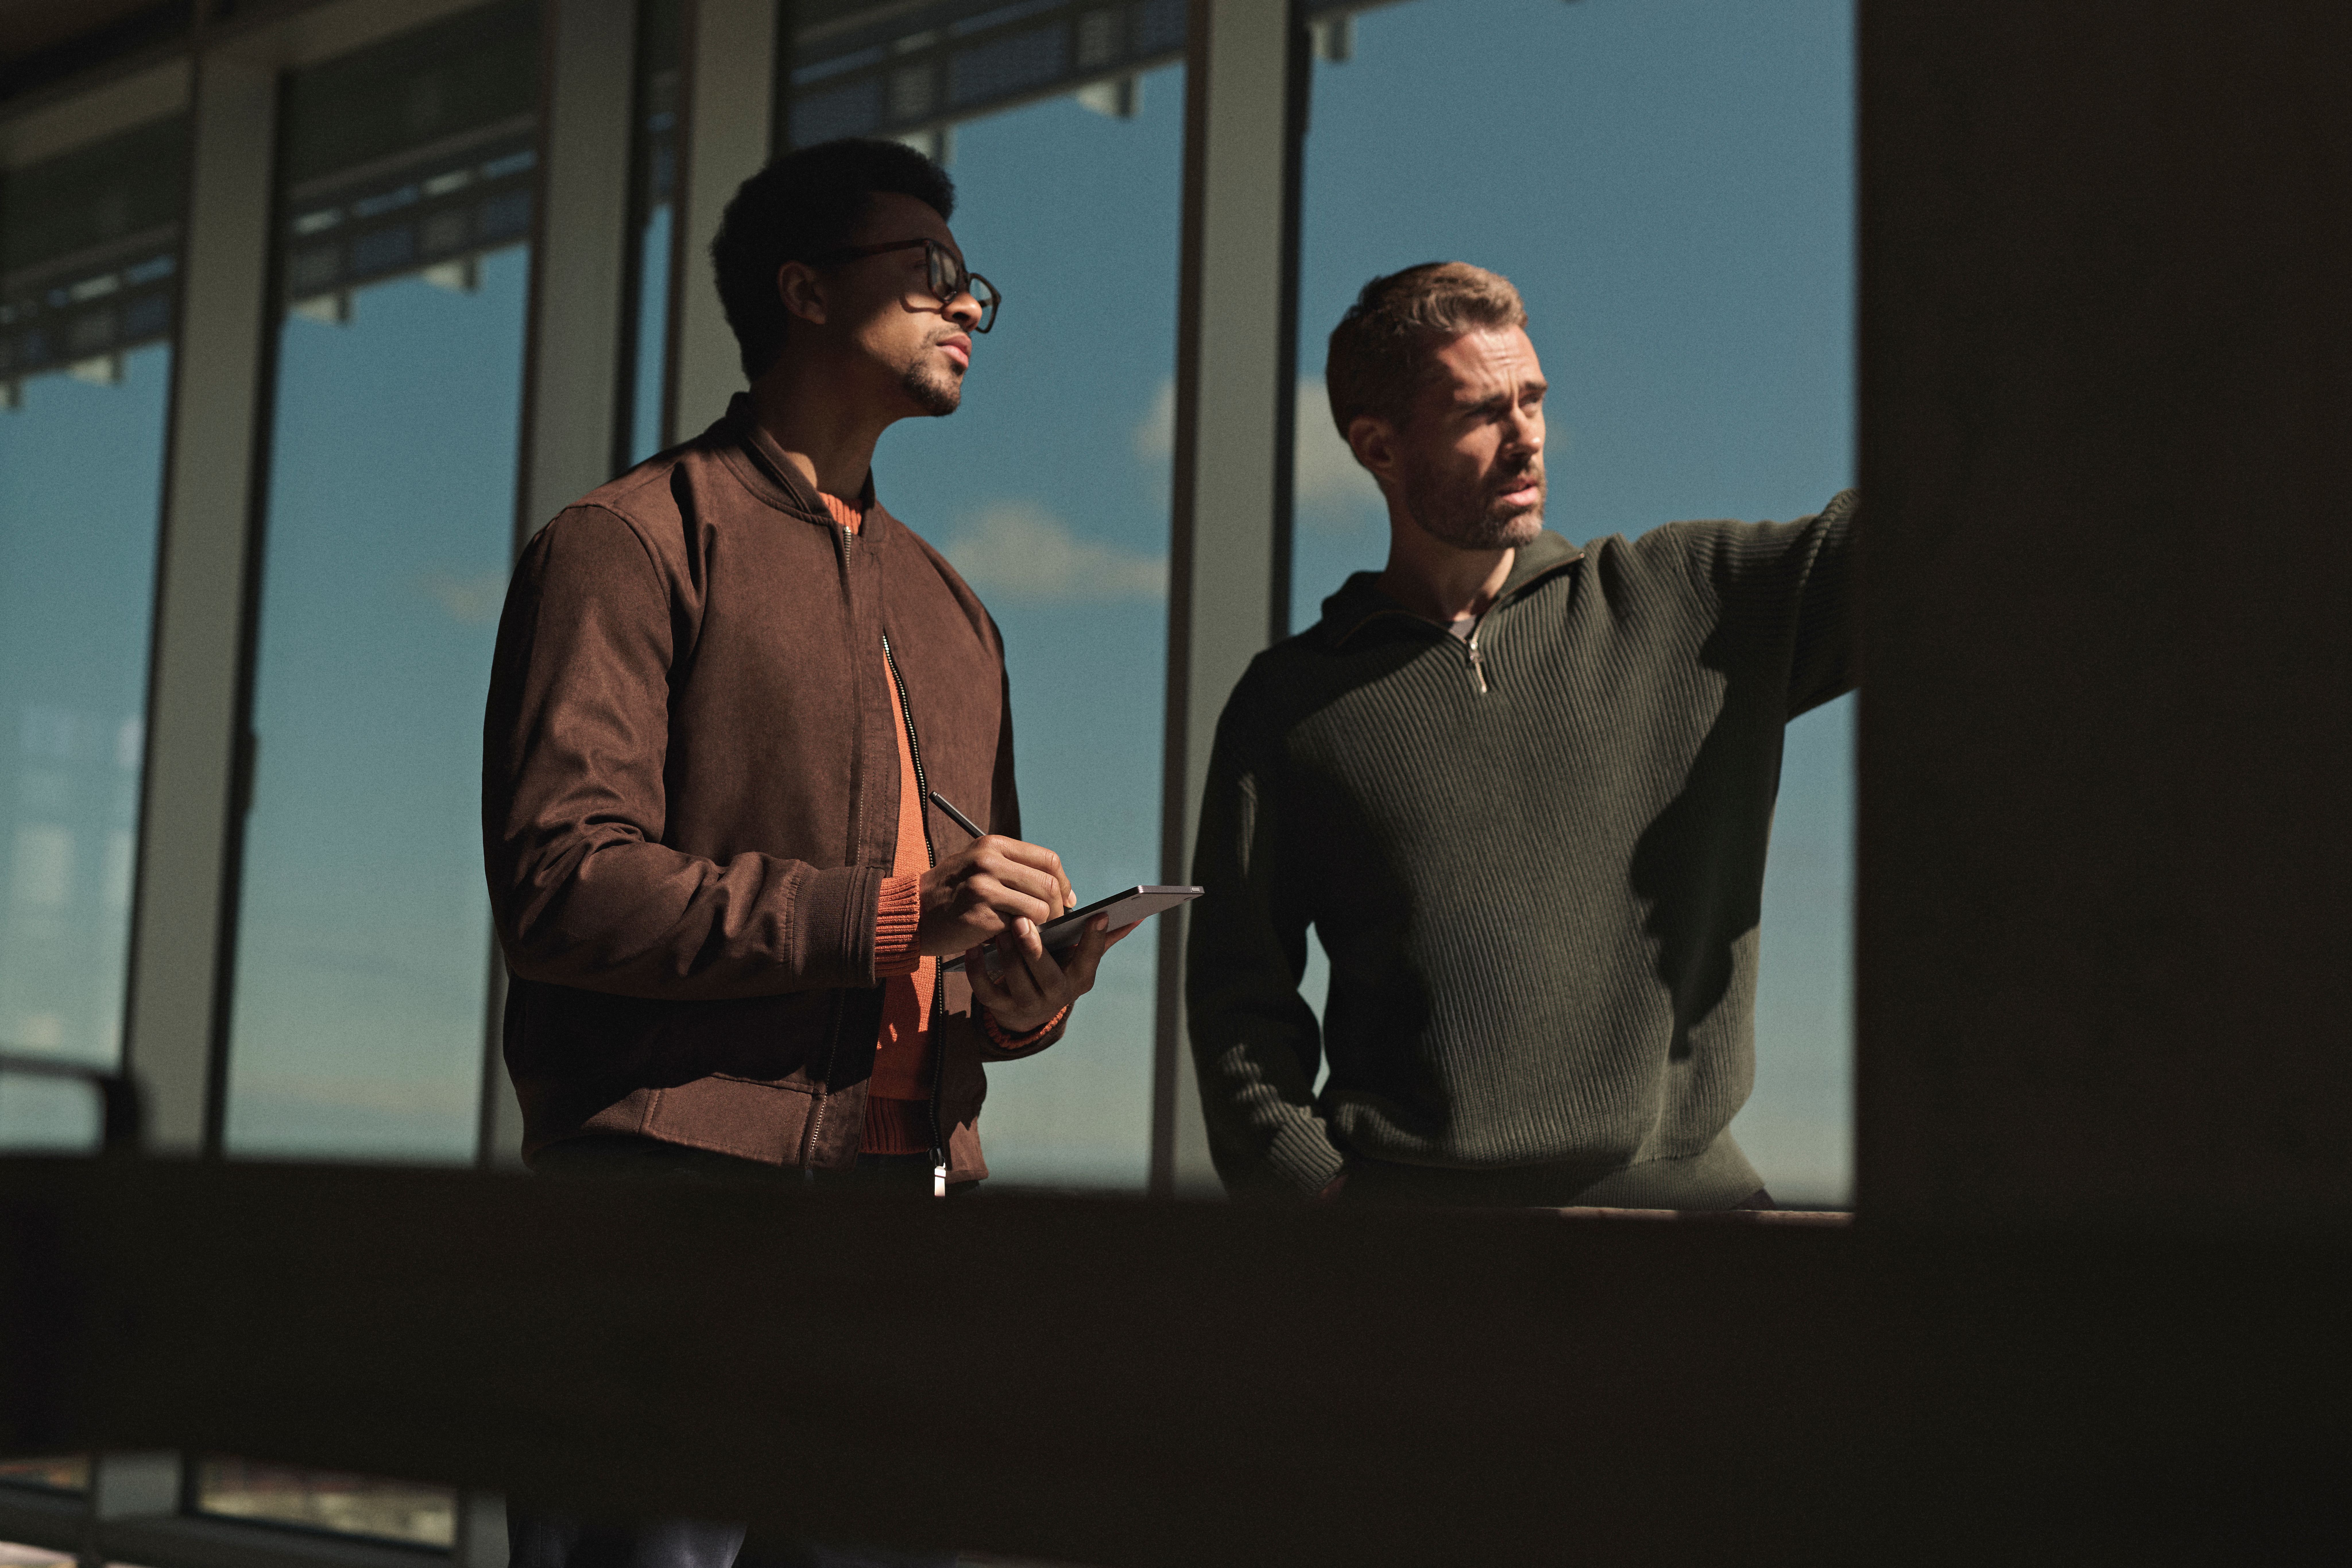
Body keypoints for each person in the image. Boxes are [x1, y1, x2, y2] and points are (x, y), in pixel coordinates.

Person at [483, 138, 1127, 1567]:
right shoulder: (627, 543)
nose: (967, 308)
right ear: (805, 293)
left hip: (915, 1226)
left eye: (976, 288)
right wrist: (894, 917)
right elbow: (560, 883)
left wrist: (1026, 993)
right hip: (671, 1231)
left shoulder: (957, 613)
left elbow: (943, 948)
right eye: (929, 274)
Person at [1186, 262, 1855, 1209]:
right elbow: (1236, 1004)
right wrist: (1319, 1195)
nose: (1526, 437)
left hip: (1695, 1236)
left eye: (1533, 399)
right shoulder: (1290, 704)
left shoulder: (1690, 600)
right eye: (1480, 413)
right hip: (1422, 1262)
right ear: (1379, 448)